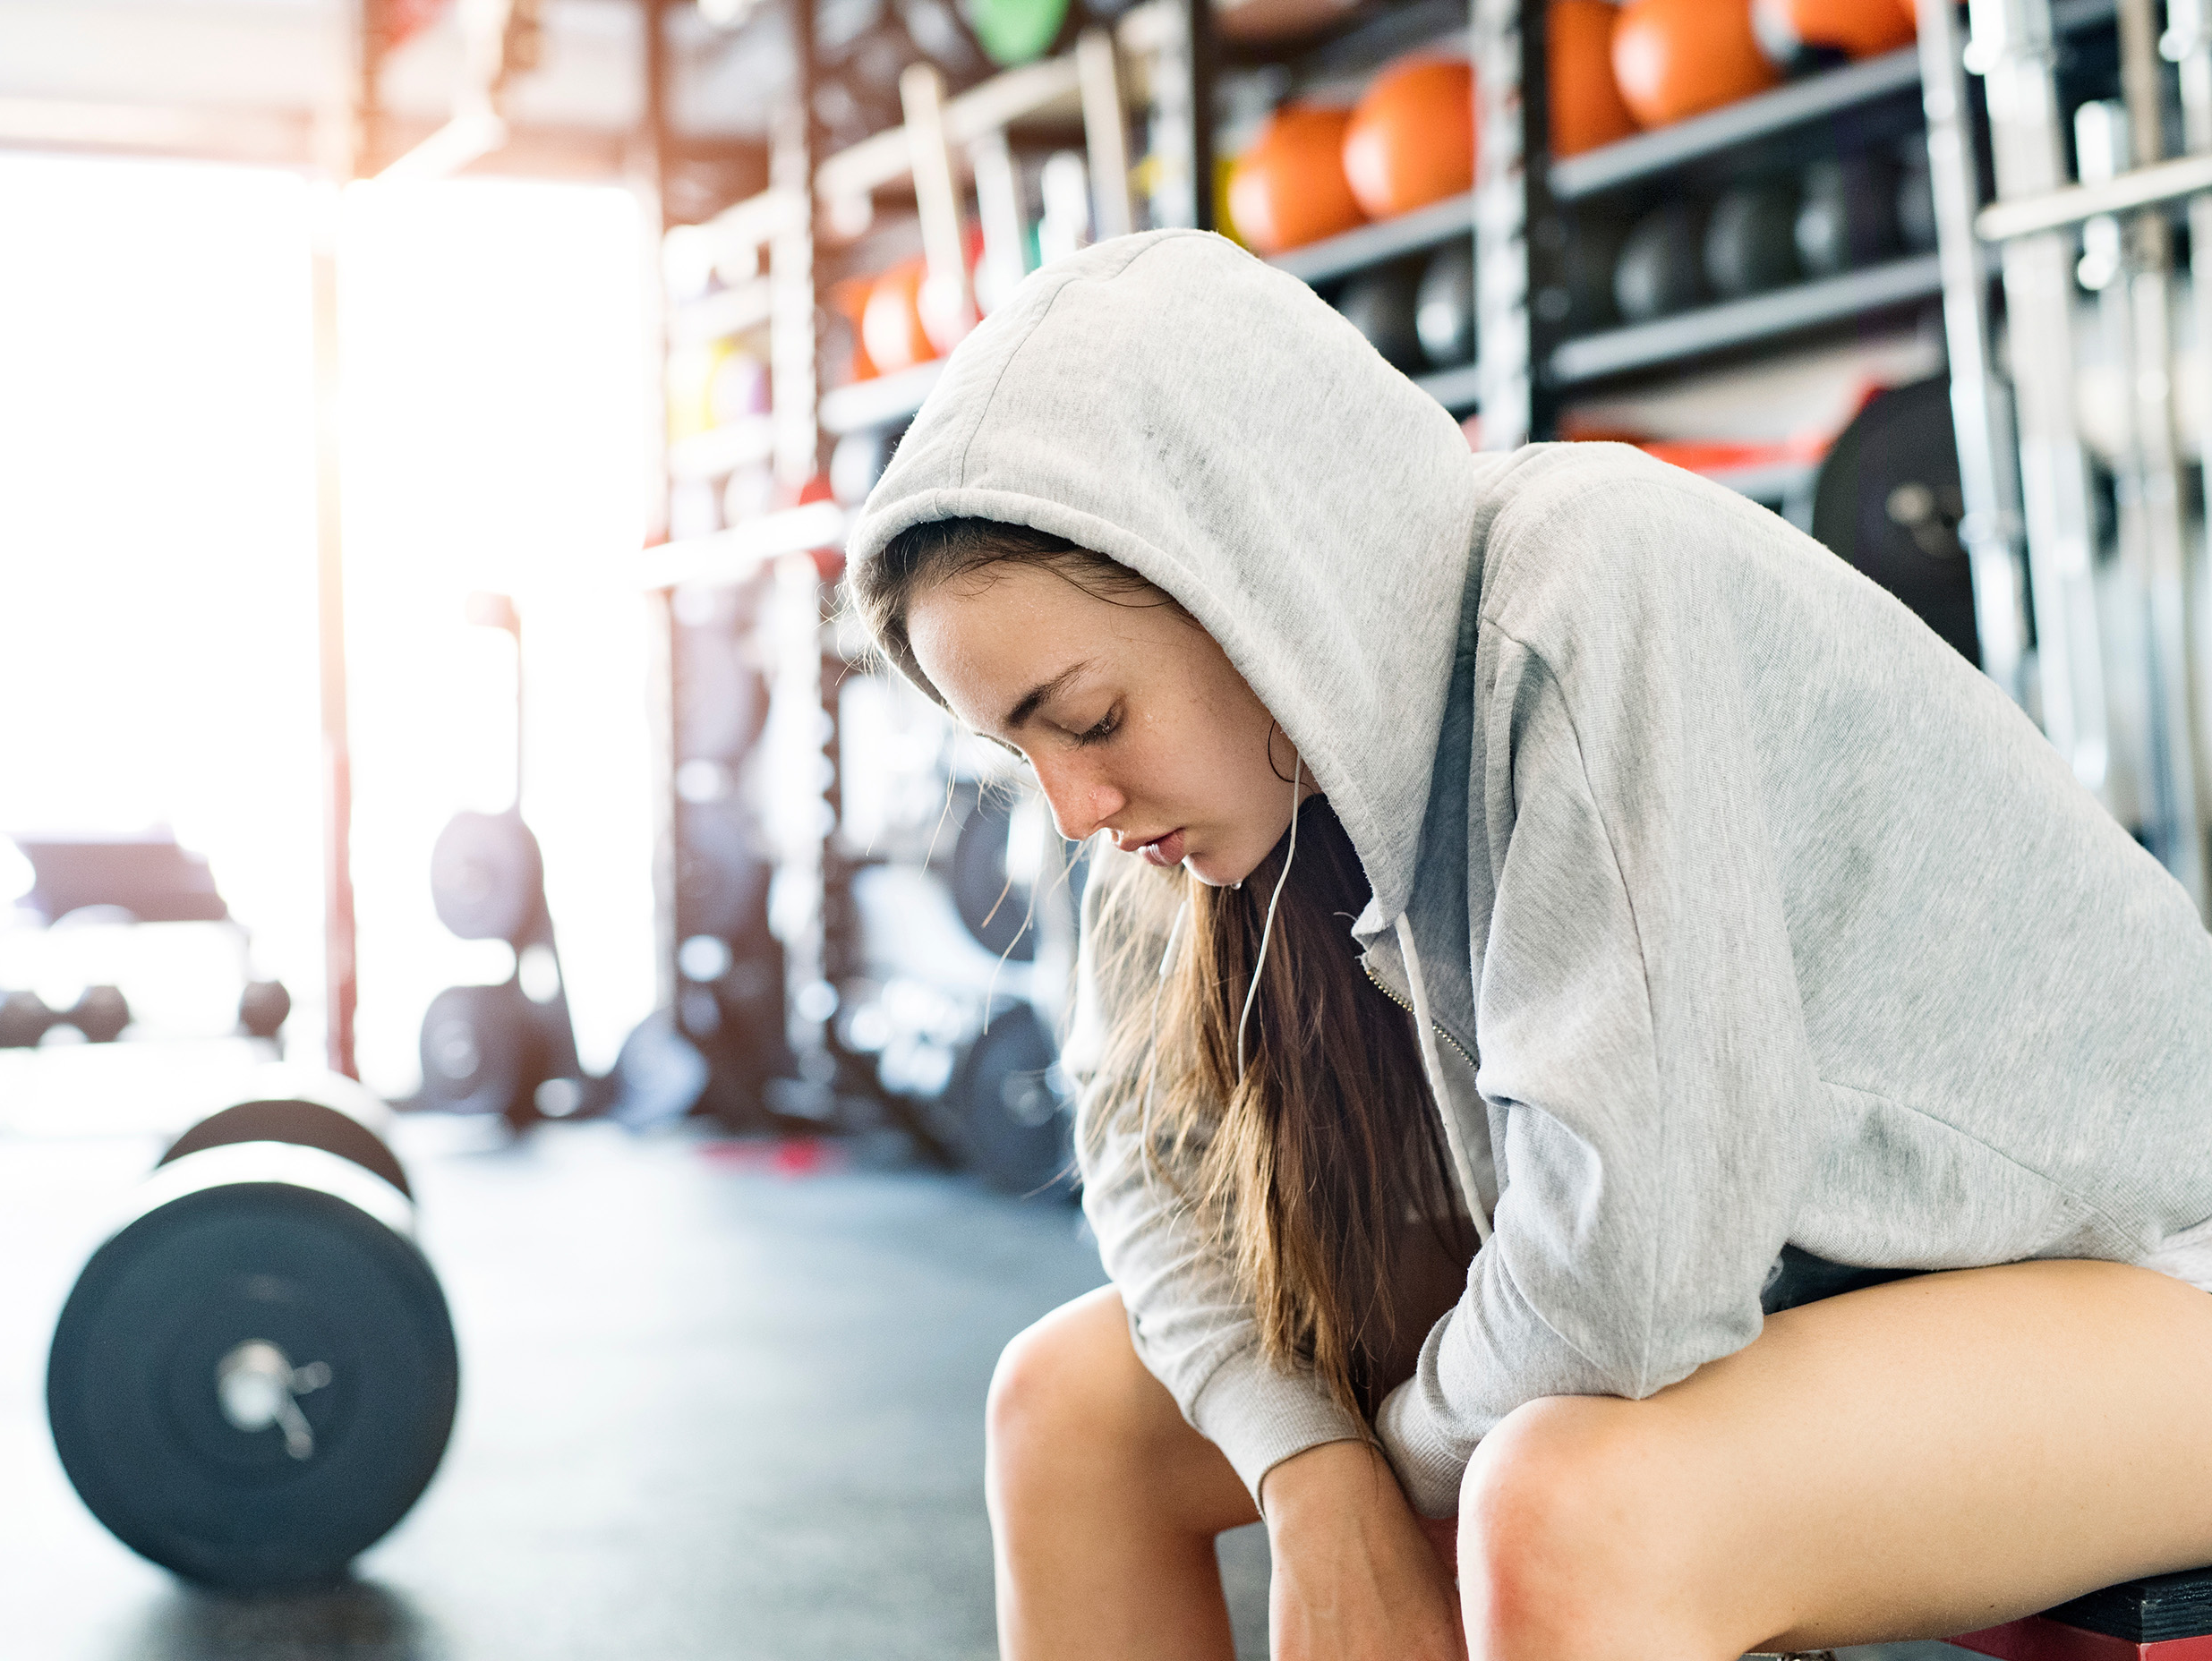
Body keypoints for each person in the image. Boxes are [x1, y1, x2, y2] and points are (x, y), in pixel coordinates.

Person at [841, 230, 2212, 1661]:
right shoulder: (1219, 793)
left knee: (1567, 1505)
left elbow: (1633, 1283)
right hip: (1824, 1276)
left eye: (1091, 719)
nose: (1071, 806)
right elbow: (1149, 1174)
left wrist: (1403, 1469)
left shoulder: (1587, 583)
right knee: (1067, 1407)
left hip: (2142, 1281)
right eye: (1020, 749)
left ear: (1247, 578)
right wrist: (1317, 1484)